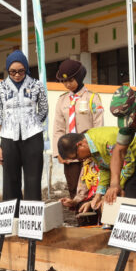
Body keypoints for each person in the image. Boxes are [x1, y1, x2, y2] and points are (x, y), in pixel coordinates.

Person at [57, 127, 136, 228]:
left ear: (80, 145)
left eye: (76, 156)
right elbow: (105, 168)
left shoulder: (106, 142)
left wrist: (116, 187)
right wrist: (98, 195)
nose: (80, 160)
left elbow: (128, 165)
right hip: (129, 162)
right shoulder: (91, 145)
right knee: (116, 195)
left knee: (130, 195)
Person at [0, 50, 49, 202]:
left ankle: (30, 214)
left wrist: (32, 122)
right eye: (12, 71)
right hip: (8, 137)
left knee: (33, 180)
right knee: (10, 181)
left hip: (33, 137)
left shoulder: (37, 85)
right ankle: (13, 214)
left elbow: (43, 110)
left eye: (21, 71)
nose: (17, 75)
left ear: (26, 68)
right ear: (7, 70)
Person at [52, 59, 103, 199]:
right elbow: (58, 128)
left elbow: (98, 126)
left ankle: (92, 213)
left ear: (79, 77)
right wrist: (58, 153)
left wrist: (94, 150)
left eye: (71, 80)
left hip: (88, 153)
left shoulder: (92, 98)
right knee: (73, 188)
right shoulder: (62, 100)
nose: (67, 84)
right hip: (70, 155)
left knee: (91, 187)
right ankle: (77, 213)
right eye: (64, 81)